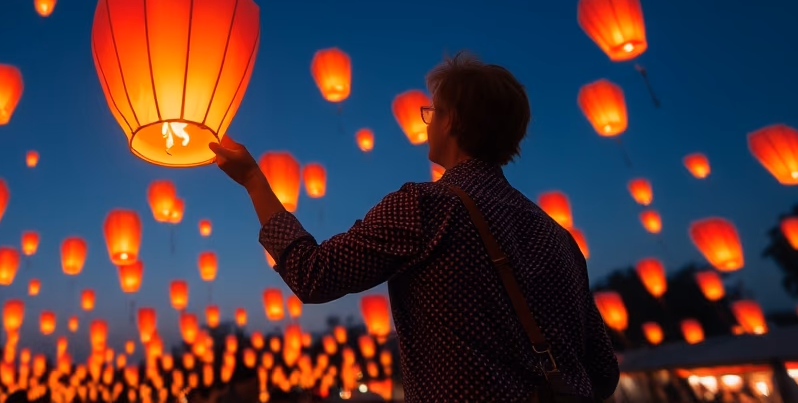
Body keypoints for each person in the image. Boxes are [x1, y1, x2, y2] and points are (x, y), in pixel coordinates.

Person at [209, 53, 619, 403]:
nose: (426, 122)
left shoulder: (427, 207)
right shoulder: (558, 237)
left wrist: (253, 181)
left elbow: (314, 274)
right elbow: (602, 371)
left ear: (452, 120)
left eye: (432, 112)